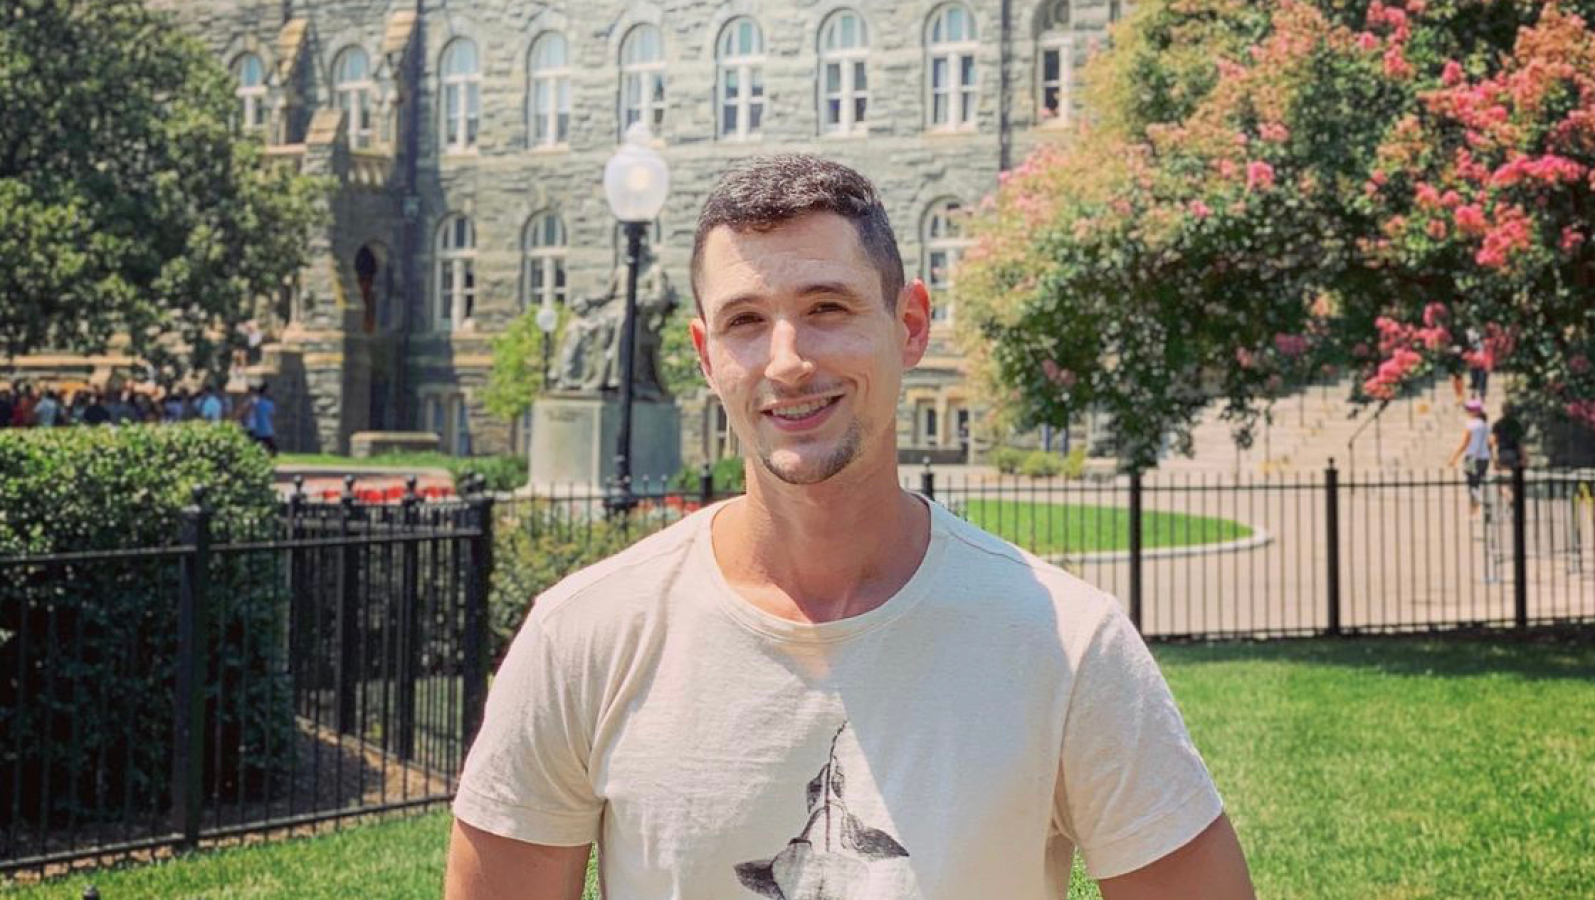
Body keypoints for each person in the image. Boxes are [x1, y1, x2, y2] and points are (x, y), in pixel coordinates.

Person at [445, 156, 1255, 900]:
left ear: (910, 326)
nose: (788, 359)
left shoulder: (1065, 645)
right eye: (746, 322)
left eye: (826, 308)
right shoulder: (585, 636)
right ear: (704, 354)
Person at [1448, 397, 1494, 515]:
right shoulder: (1485, 425)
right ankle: (1483, 503)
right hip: (1484, 458)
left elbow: (1465, 443)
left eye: (1469, 409)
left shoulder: (1470, 425)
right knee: (1481, 480)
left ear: (1474, 411)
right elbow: (1490, 443)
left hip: (1471, 458)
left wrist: (1454, 457)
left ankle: (1475, 507)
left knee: (1472, 483)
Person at [249, 383, 277, 454]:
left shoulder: (255, 403)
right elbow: (271, 418)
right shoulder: (270, 404)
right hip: (267, 431)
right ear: (266, 391)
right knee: (272, 452)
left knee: (257, 451)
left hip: (257, 430)